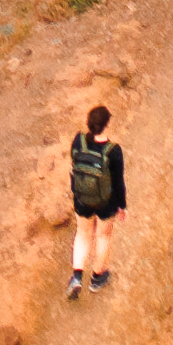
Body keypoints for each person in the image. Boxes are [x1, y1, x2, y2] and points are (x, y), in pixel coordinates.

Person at [66, 103, 128, 295]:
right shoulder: (113, 150)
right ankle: (97, 277)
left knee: (83, 234)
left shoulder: (78, 141)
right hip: (105, 202)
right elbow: (118, 181)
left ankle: (77, 276)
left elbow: (75, 164)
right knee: (103, 236)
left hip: (82, 199)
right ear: (107, 124)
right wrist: (121, 206)